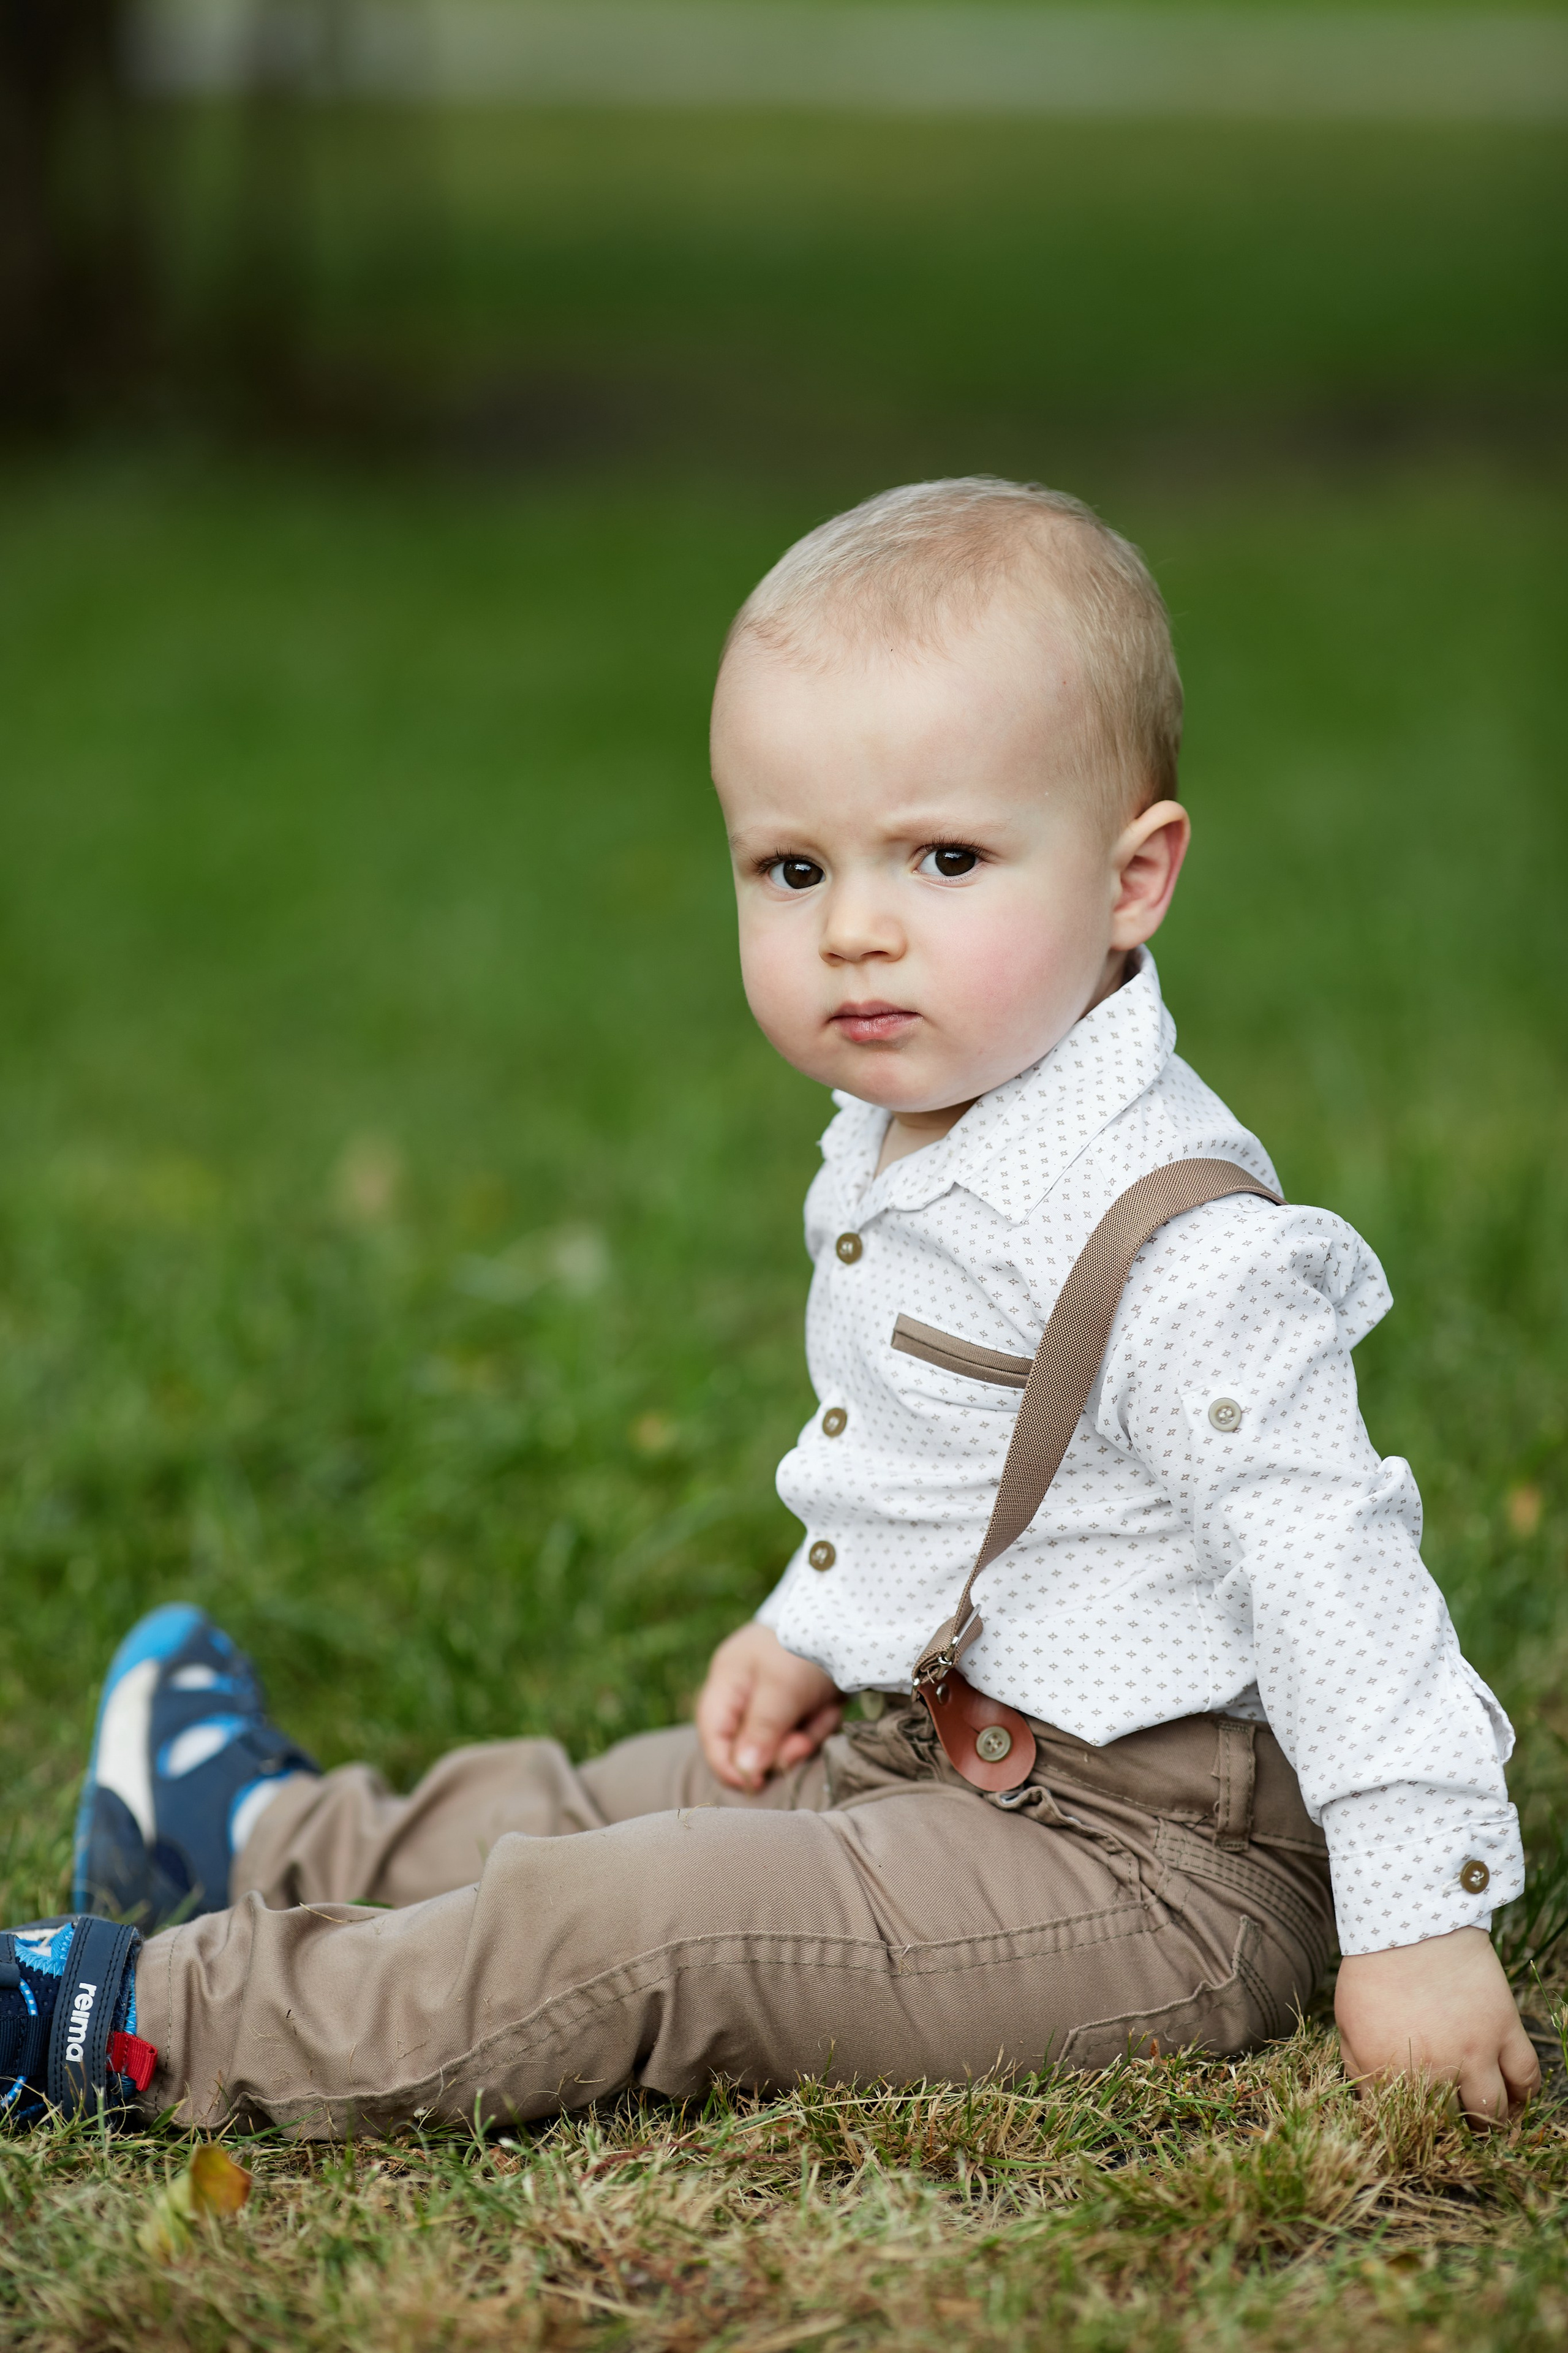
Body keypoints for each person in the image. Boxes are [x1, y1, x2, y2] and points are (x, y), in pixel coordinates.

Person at [2, 477, 1539, 2139]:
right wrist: (821, 1623)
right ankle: (253, 1841)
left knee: (653, 1916)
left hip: (1158, 1866)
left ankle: (120, 2024)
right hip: (948, 1746)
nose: (858, 929)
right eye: (793, 867)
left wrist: (1422, 1919)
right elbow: (944, 1462)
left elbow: (1339, 1575)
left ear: (1133, 878)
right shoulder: (915, 1126)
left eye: (946, 858)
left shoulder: (1183, 1247)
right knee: (640, 1794)